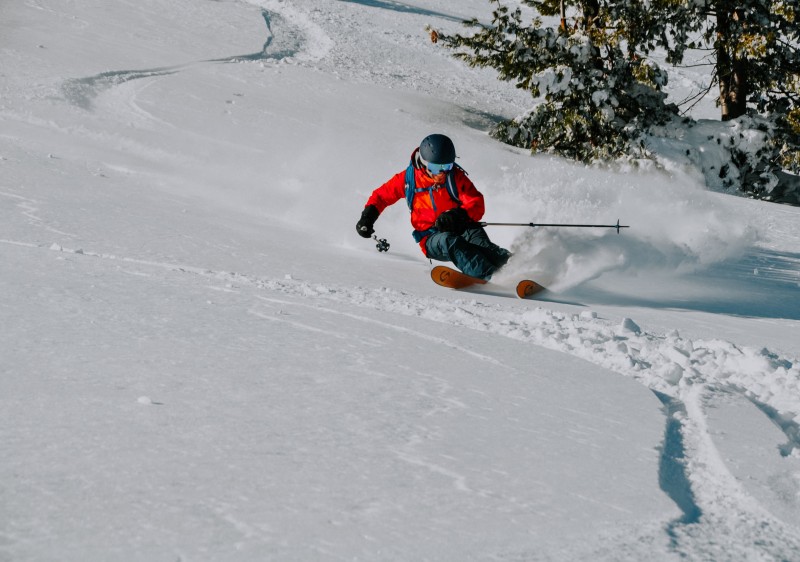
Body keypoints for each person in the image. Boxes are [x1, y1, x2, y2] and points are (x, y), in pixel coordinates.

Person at [356, 133, 511, 280]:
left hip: (461, 227)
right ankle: (492, 277)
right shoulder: (408, 179)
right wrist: (367, 218)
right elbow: (381, 196)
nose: (442, 173)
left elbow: (476, 202)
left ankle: (518, 268)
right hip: (431, 237)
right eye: (436, 168)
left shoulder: (454, 177)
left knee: (485, 247)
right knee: (450, 242)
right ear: (423, 164)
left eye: (447, 166)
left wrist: (458, 215)